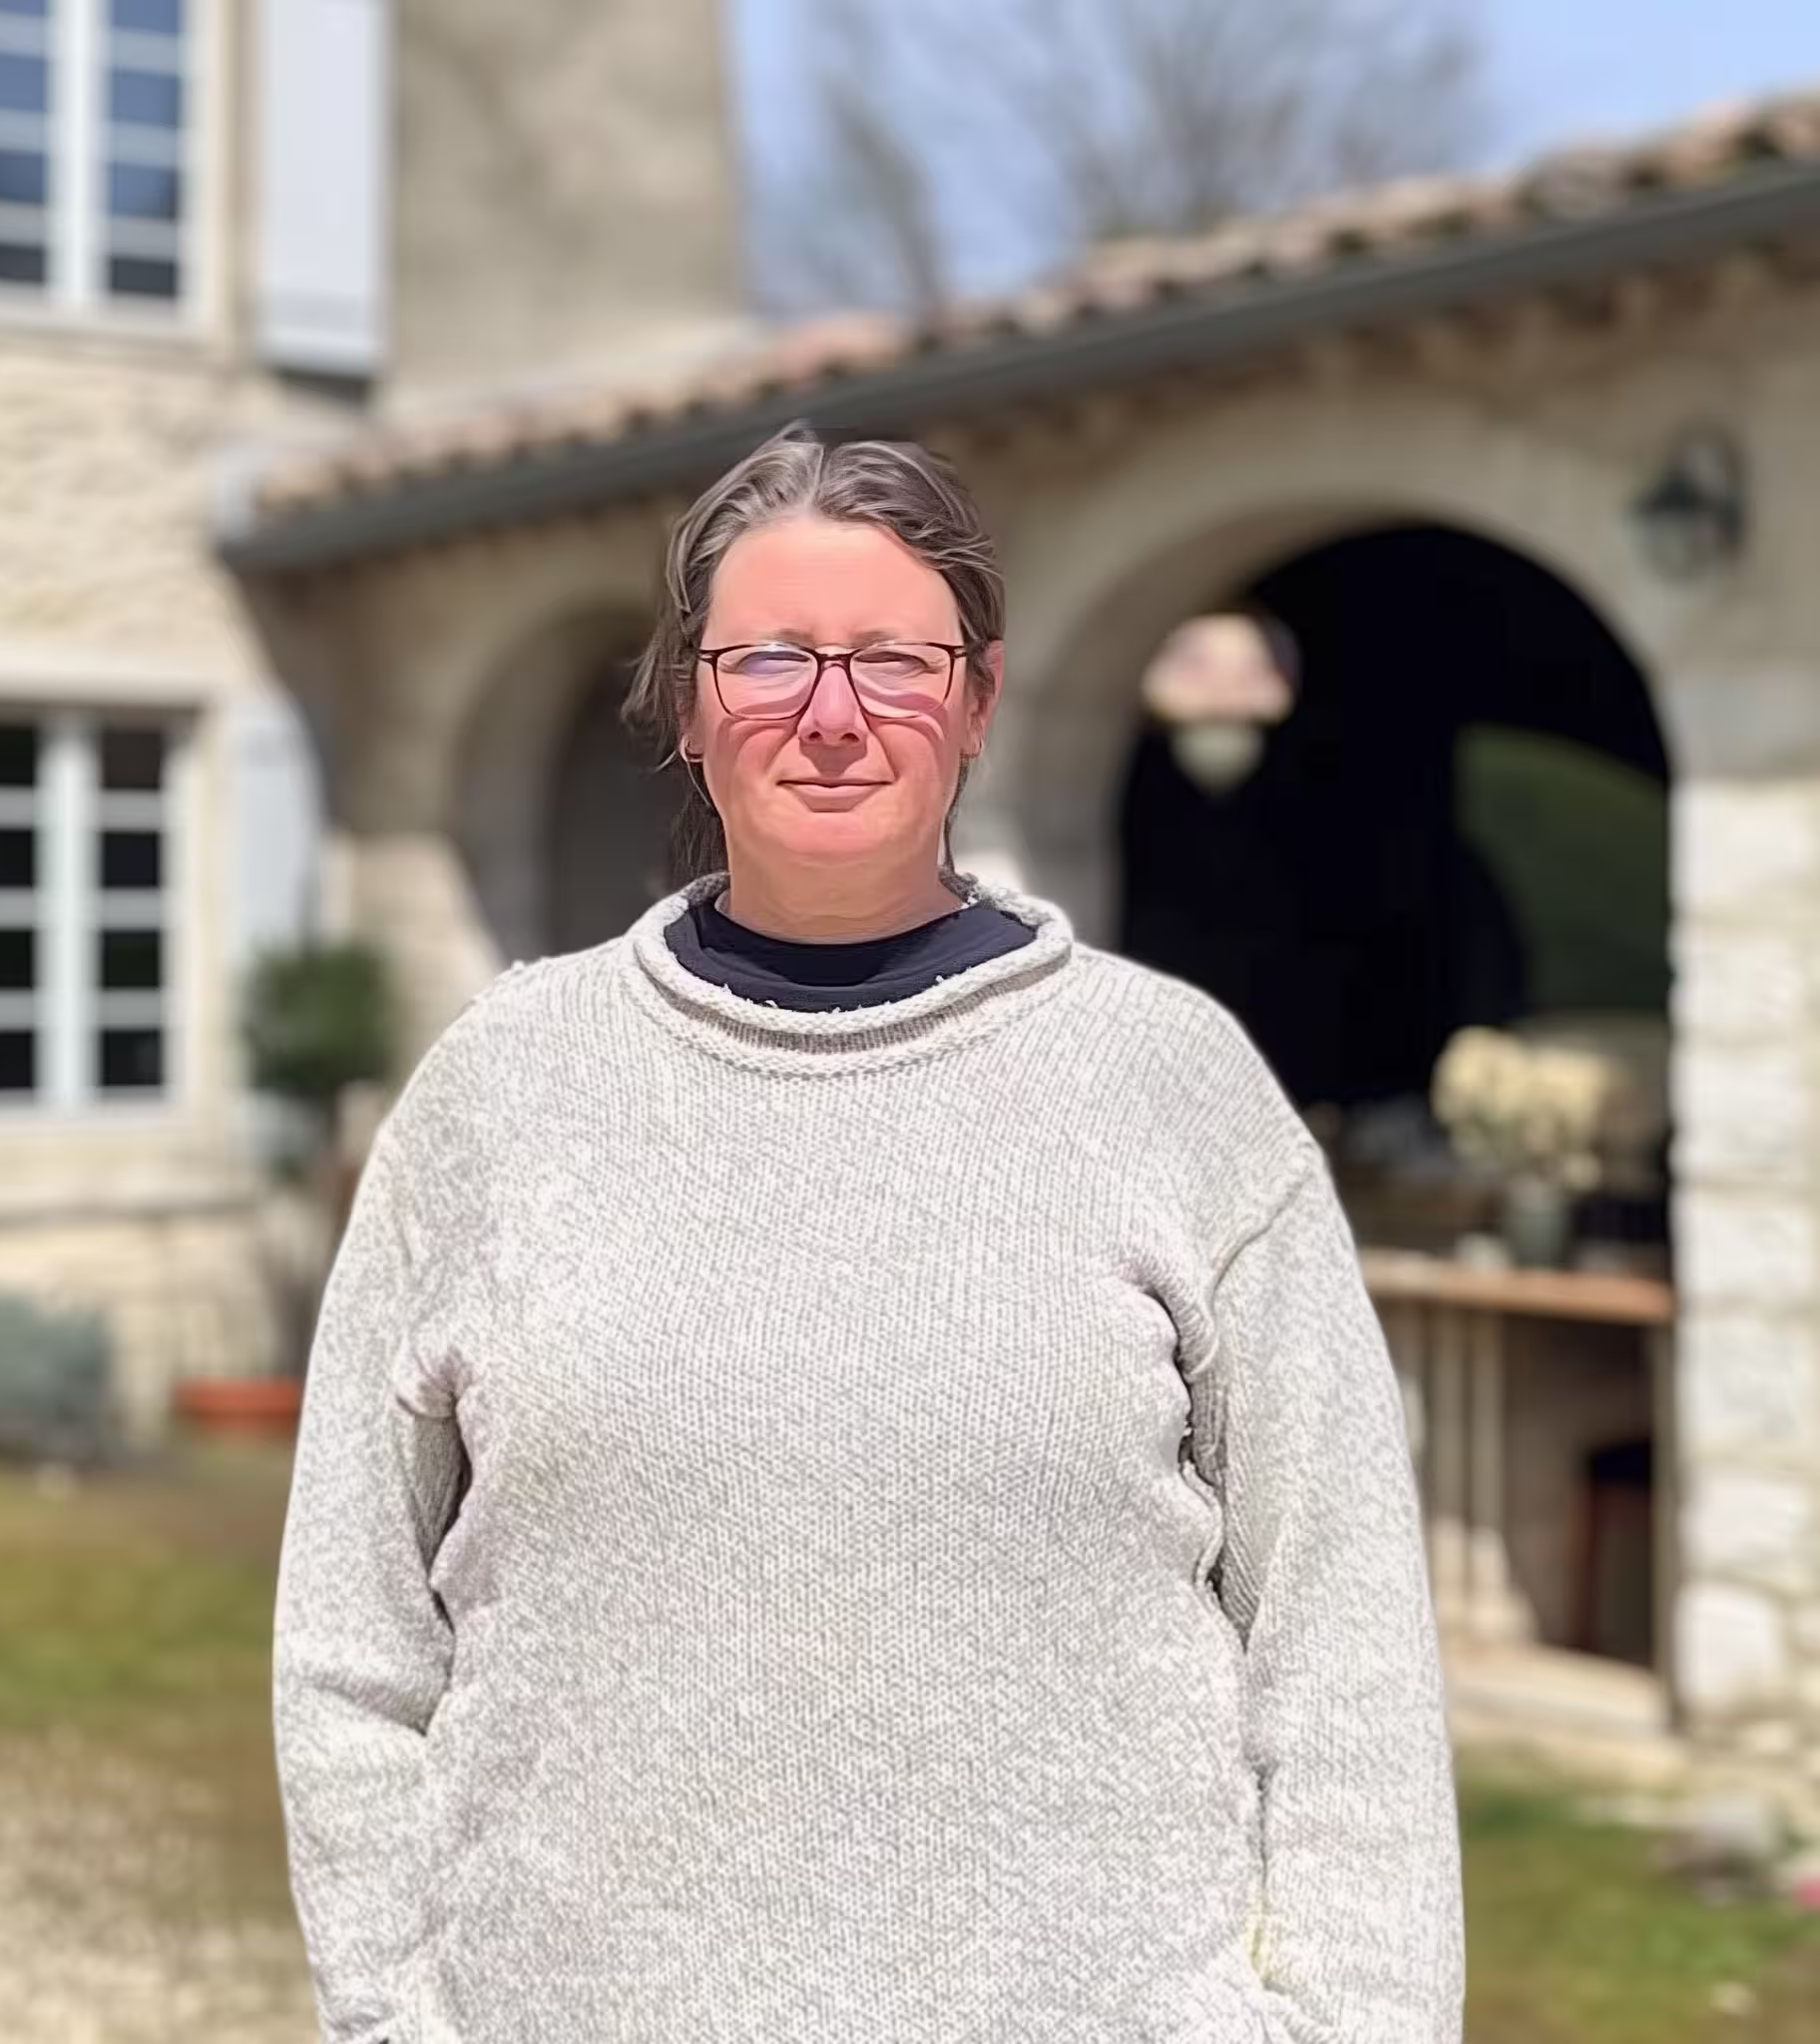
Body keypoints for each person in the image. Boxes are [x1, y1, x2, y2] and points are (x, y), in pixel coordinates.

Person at [271, 424, 1466, 2043]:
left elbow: (1344, 1648)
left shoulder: (1171, 1088)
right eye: (771, 660)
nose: (832, 716)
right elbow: (352, 1642)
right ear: (691, 706)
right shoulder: (505, 1090)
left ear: (975, 700)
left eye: (895, 661)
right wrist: (398, 2016)